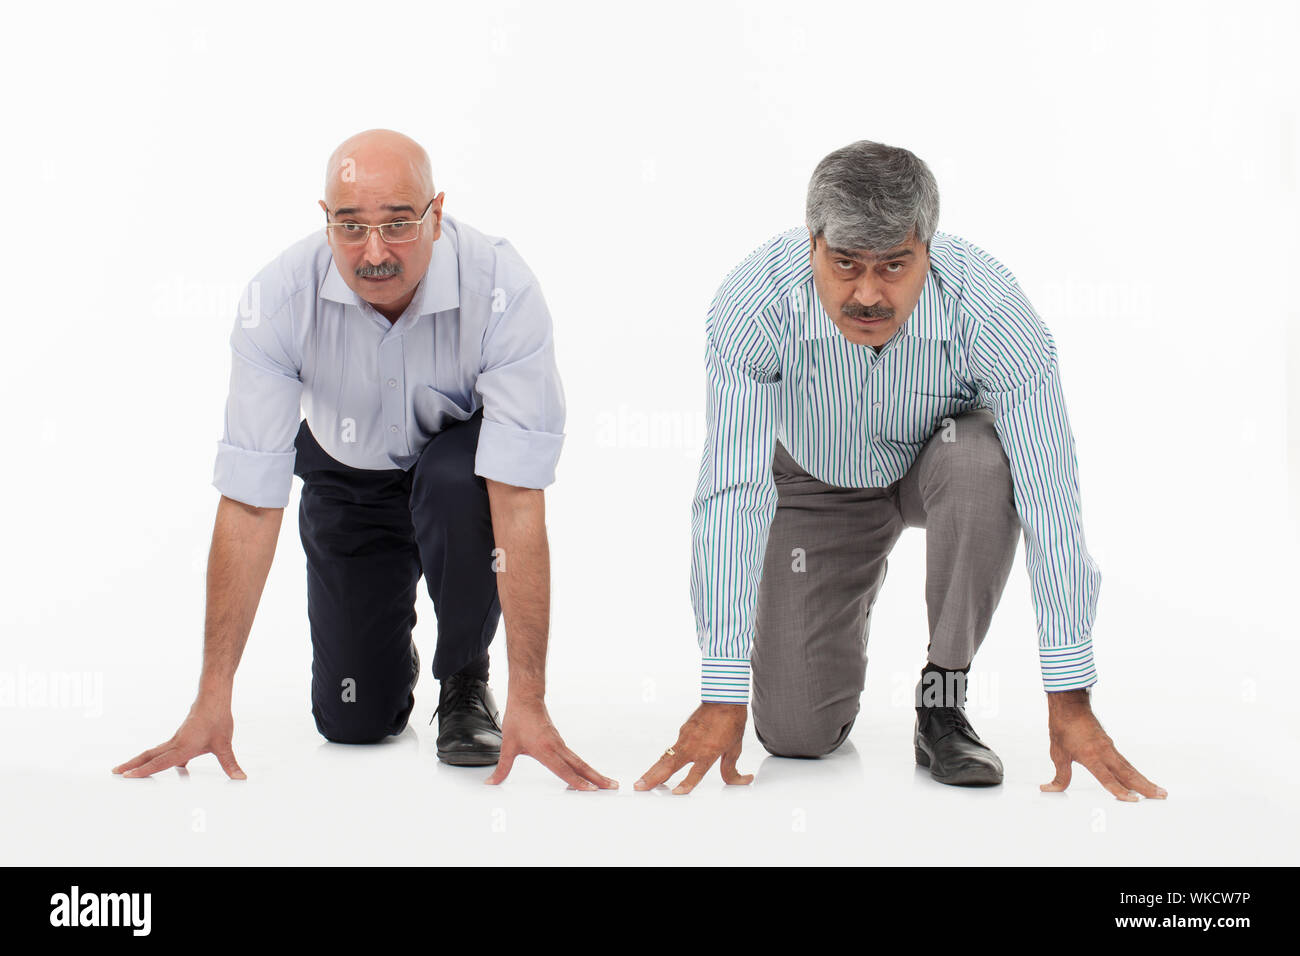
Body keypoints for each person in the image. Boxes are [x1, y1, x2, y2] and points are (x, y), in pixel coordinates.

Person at [636, 140, 1165, 801]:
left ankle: (942, 699)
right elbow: (731, 492)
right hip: (813, 482)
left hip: (938, 465)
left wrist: (1070, 696)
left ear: (928, 252)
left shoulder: (991, 309)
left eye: (893, 266)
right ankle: (840, 598)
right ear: (812, 245)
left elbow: (1051, 492)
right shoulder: (755, 305)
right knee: (797, 735)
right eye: (845, 264)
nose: (867, 293)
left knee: (980, 459)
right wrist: (720, 692)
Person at [113, 129, 615, 791]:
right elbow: (250, 499)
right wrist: (212, 698)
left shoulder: (502, 290)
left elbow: (518, 496)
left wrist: (531, 698)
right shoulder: (280, 301)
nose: (374, 252)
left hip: (456, 480)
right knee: (353, 720)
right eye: (351, 226)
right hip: (347, 477)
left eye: (398, 224)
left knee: (454, 476)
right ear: (325, 221)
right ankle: (384, 633)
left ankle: (463, 679)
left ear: (436, 214)